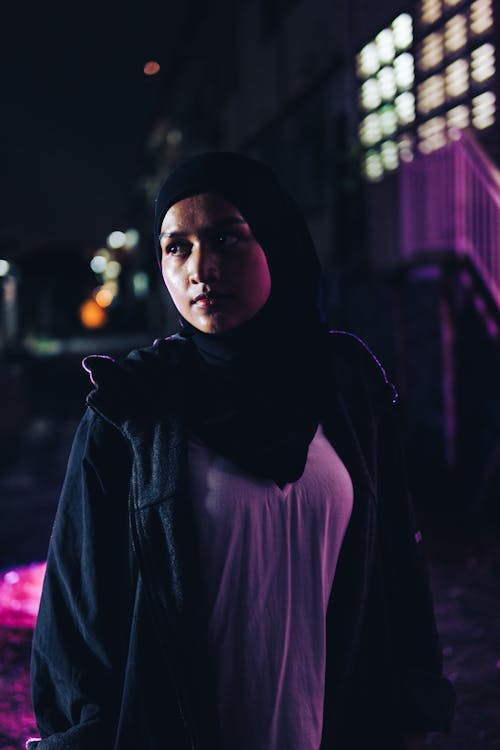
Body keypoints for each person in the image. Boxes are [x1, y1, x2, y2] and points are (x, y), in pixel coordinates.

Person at [28, 152, 455, 750]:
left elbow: (395, 568)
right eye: (177, 247)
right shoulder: (135, 407)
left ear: (275, 241)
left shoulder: (344, 385)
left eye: (227, 237)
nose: (201, 268)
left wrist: (410, 711)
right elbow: (79, 617)